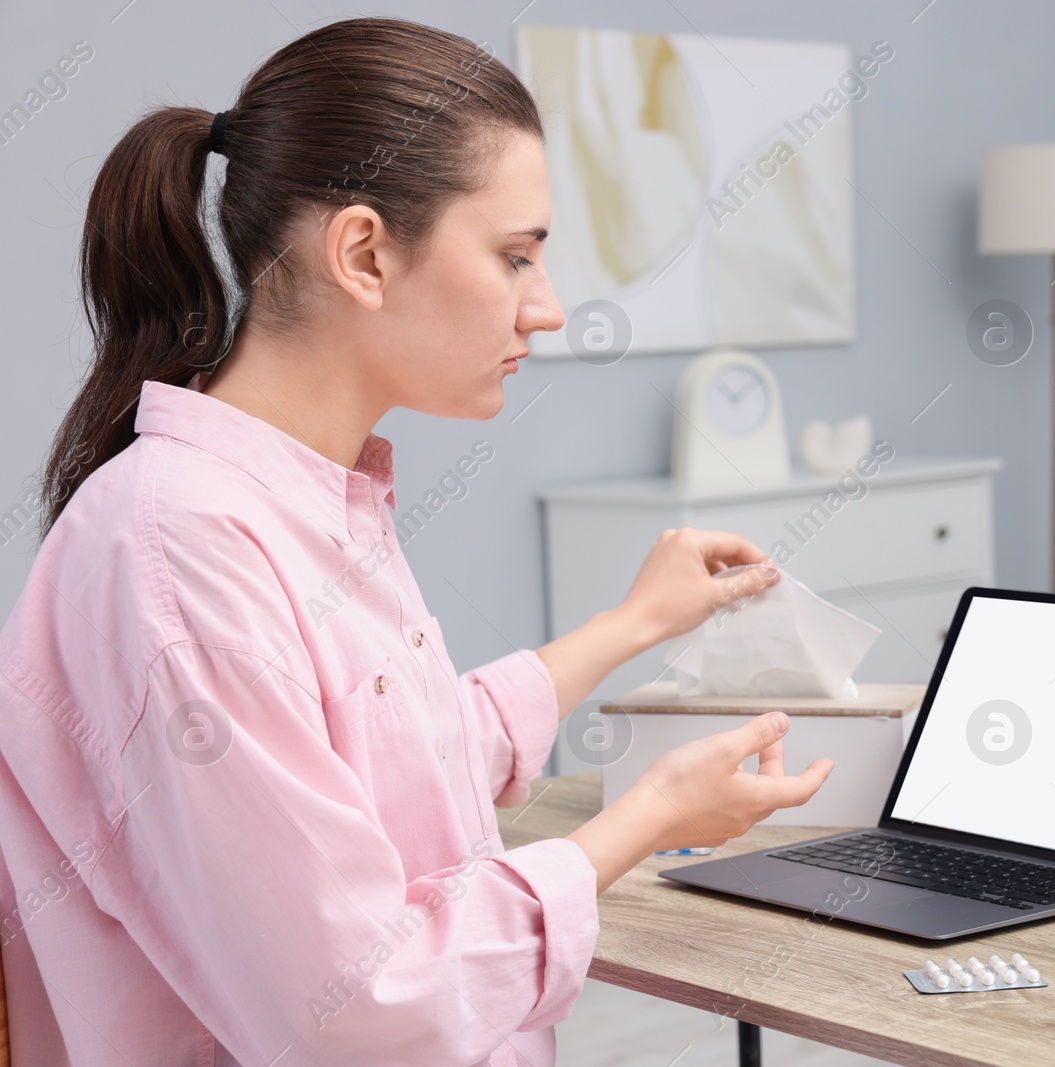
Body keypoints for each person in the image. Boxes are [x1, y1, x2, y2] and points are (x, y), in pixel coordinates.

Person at [0, 16, 832, 1066]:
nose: (550, 307)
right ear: (362, 254)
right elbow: (357, 1009)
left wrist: (630, 624)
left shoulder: (305, 500)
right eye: (515, 256)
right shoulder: (178, 552)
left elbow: (408, 757)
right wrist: (647, 816)